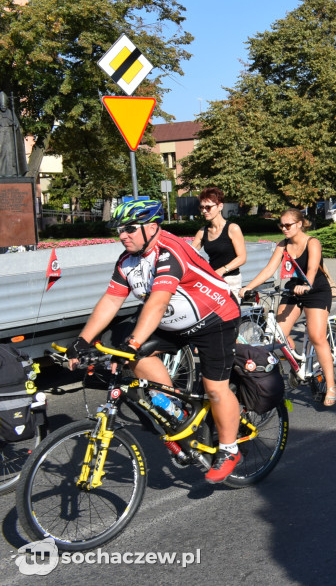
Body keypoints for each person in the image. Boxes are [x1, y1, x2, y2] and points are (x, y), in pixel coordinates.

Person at [66, 198, 244, 482]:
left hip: (214, 320)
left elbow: (158, 303)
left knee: (214, 387)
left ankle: (228, 448)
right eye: (119, 230)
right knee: (135, 360)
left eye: (130, 229)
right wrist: (82, 341)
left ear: (152, 227)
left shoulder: (169, 251)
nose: (123, 235)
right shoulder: (127, 260)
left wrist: (134, 341)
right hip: (174, 324)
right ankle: (176, 409)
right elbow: (112, 299)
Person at [242, 208, 336, 404]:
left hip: (315, 291)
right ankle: (297, 364)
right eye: (281, 225)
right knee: (278, 333)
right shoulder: (283, 245)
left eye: (288, 225)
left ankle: (331, 385)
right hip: (292, 290)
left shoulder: (312, 242)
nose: (284, 228)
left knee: (316, 336)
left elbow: (312, 268)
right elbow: (270, 269)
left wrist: (306, 285)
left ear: (299, 224)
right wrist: (248, 287)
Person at [191, 187, 246, 301]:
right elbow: (189, 253)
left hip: (231, 280)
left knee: (230, 317)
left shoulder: (232, 228)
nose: (204, 211)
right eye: (202, 207)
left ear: (220, 206)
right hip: (212, 280)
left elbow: (242, 258)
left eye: (208, 207)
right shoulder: (203, 231)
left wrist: (222, 270)